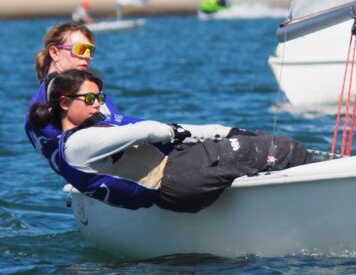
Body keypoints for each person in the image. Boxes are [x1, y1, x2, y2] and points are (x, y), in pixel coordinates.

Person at [29, 69, 311, 213]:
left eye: (100, 99)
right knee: (285, 148)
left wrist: (223, 132)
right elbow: (146, 130)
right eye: (90, 99)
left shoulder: (85, 138)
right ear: (65, 103)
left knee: (262, 148)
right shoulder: (78, 144)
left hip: (177, 180)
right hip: (179, 175)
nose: (98, 105)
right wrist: (174, 132)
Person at [25, 21, 139, 175]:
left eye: (90, 51)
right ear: (54, 53)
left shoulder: (60, 89)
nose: (87, 57)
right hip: (108, 175)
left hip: (90, 176)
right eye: (80, 49)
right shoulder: (65, 93)